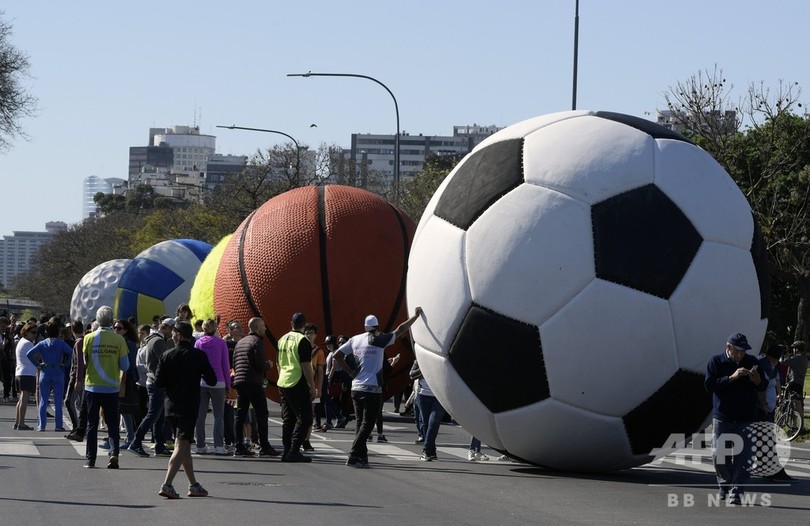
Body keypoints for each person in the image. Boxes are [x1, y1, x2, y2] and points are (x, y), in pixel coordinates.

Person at [333, 307, 423, 468]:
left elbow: (337, 355)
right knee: (368, 423)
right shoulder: (380, 338)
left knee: (360, 423)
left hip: (356, 387)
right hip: (372, 387)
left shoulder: (355, 339)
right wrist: (415, 317)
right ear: (377, 326)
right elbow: (400, 329)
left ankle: (362, 456)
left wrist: (350, 372)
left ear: (365, 326)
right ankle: (354, 454)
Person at [155, 320, 217, 499]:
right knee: (182, 445)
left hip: (171, 405)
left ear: (179, 335)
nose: (172, 335)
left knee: (183, 446)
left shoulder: (166, 355)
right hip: (188, 405)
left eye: (174, 333)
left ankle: (193, 484)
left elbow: (159, 382)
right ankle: (167, 484)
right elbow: (212, 380)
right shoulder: (198, 355)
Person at [704, 333, 766, 505]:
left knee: (744, 456)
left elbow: (763, 385)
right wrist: (732, 378)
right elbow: (709, 386)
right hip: (723, 416)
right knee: (719, 455)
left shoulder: (752, 361)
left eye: (744, 351)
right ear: (728, 347)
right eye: (738, 351)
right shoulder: (716, 361)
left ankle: (737, 491)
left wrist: (758, 381)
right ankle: (724, 484)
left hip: (746, 417)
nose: (741, 355)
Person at [82, 306, 130, 469]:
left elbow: (84, 362)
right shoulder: (119, 340)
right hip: (111, 387)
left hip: (92, 386)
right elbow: (125, 366)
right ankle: (114, 453)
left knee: (92, 424)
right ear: (111, 321)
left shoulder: (88, 338)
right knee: (113, 424)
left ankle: (90, 460)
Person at [232, 317, 280, 458]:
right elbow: (259, 364)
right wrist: (268, 365)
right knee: (262, 413)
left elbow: (235, 362)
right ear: (258, 328)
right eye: (264, 327)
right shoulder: (256, 341)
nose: (265, 329)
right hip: (252, 381)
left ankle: (239, 446)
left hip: (240, 380)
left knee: (240, 413)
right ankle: (264, 446)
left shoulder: (240, 342)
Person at [129, 318, 173, 458]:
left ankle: (159, 446)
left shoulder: (152, 339)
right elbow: (164, 363)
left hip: (152, 381)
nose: (174, 333)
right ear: (166, 328)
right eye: (173, 329)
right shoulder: (158, 341)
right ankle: (136, 442)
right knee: (153, 414)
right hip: (156, 382)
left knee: (158, 416)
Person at [276, 313, 316, 462]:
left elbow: (278, 363)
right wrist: (312, 386)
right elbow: (306, 365)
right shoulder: (302, 340)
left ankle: (287, 450)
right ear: (304, 325)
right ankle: (294, 450)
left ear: (291, 323)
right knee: (305, 418)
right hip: (296, 381)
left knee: (288, 419)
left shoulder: (282, 339)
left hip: (283, 381)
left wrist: (281, 378)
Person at [26, 319, 73, 431]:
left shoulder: (42, 344)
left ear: (46, 332)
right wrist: (65, 364)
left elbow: (29, 354)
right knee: (58, 400)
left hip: (45, 371)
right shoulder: (61, 344)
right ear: (57, 332)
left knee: (43, 400)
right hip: (58, 371)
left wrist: (38, 364)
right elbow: (73, 353)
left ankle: (41, 425)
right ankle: (58, 425)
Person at [194, 318, 231, 455]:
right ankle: (218, 445)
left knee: (200, 415)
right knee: (218, 416)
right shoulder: (221, 343)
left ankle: (200, 444)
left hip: (202, 382)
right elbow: (225, 365)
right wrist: (228, 384)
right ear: (215, 328)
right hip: (218, 381)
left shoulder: (198, 343)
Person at [410, 358, 445, 461]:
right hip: (423, 395)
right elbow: (411, 374)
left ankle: (426, 450)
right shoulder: (420, 359)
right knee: (425, 424)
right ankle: (432, 450)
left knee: (433, 422)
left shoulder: (444, 359)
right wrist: (424, 368)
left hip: (440, 396)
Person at [13, 322, 39, 430]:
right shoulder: (28, 344)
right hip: (27, 373)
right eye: (33, 332)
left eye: (36, 333)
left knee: (21, 399)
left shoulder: (21, 342)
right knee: (24, 398)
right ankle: (21, 423)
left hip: (20, 372)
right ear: (26, 332)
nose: (35, 335)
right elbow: (36, 356)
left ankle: (17, 421)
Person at [783, 340, 807, 425]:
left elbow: (783, 361)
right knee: (796, 405)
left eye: (793, 348)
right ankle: (797, 425)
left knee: (796, 405)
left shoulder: (796, 359)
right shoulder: (804, 358)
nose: (793, 350)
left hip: (794, 383)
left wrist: (787, 354)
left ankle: (799, 426)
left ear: (796, 349)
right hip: (799, 383)